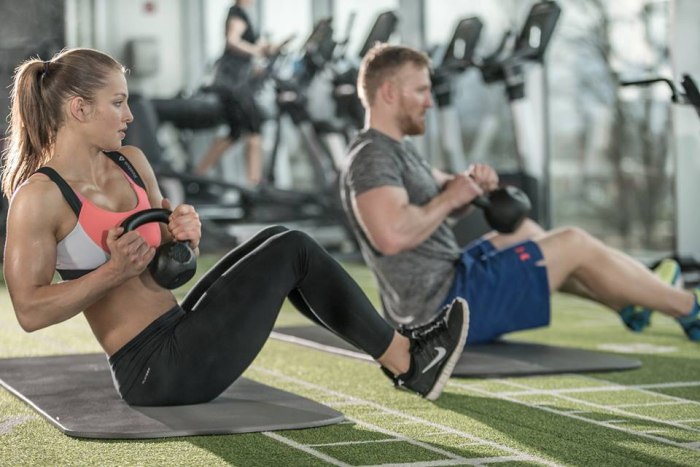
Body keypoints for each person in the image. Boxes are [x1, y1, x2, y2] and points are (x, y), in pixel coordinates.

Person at [1, 47, 469, 405]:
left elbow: (166, 266)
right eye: (118, 103)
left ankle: (404, 359)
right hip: (152, 371)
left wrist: (182, 236)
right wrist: (112, 272)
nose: (130, 115)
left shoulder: (131, 162)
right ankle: (408, 360)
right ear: (80, 109)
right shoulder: (40, 197)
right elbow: (30, 312)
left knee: (278, 239)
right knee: (293, 249)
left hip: (179, 329)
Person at [340, 43, 700, 344]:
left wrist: (469, 186)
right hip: (443, 309)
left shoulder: (396, 149)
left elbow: (440, 194)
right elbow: (391, 236)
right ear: (389, 93)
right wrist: (451, 197)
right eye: (420, 90)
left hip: (451, 280)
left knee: (524, 231)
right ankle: (687, 306)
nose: (429, 102)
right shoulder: (373, 156)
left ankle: (629, 300)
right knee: (572, 242)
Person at [195, 0, 292, 185]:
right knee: (254, 130)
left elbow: (250, 46)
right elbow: (232, 41)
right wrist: (256, 51)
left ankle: (199, 175)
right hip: (234, 86)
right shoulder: (237, 13)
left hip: (236, 85)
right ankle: (254, 184)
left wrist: (273, 47)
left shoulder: (241, 14)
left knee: (235, 133)